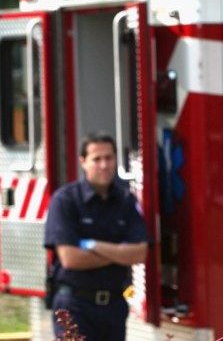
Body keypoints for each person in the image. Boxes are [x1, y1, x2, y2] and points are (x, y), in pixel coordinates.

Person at [43, 131, 151, 341]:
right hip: (74, 306)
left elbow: (140, 253)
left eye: (109, 158)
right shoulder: (65, 201)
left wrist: (92, 245)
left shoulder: (125, 200)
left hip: (114, 307)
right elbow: (71, 259)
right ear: (83, 162)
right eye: (97, 159)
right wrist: (120, 252)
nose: (104, 165)